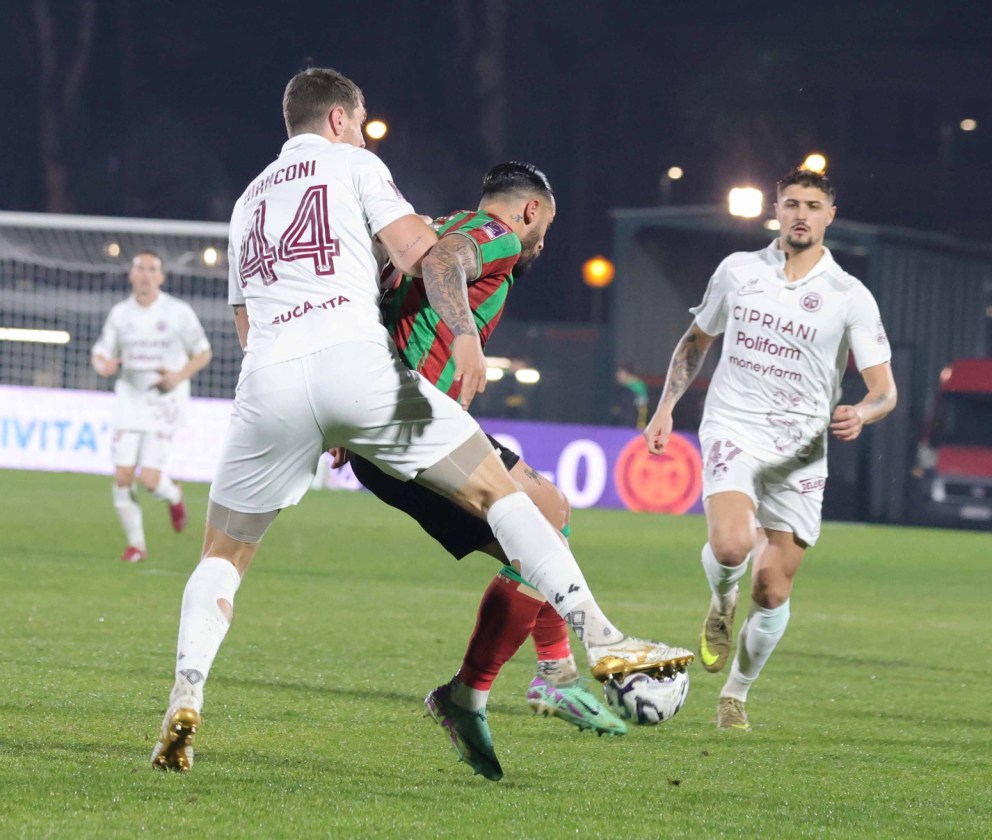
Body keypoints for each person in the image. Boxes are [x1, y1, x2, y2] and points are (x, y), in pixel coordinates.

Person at [150, 67, 692, 778]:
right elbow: (428, 256)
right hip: (362, 373)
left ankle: (185, 698)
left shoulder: (248, 201)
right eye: (363, 115)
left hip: (270, 382)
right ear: (342, 119)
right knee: (515, 500)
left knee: (221, 558)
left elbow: (248, 329)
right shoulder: (357, 165)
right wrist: (463, 335)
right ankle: (596, 642)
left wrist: (321, 417)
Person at [343, 162, 626, 776]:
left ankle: (552, 673)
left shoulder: (425, 229)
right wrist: (466, 337)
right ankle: (474, 692)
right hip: (414, 425)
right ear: (528, 212)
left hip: (390, 424)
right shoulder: (491, 234)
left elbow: (370, 296)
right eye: (544, 227)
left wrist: (344, 412)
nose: (543, 243)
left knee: (546, 517)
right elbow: (448, 263)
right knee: (545, 518)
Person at [644, 168, 897, 731]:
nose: (800, 213)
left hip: (802, 450)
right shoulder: (737, 271)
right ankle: (720, 598)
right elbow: (696, 341)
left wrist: (863, 410)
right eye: (790, 203)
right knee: (733, 545)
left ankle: (735, 693)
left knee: (773, 585)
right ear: (776, 212)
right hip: (734, 427)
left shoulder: (849, 295)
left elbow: (885, 390)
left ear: (830, 215)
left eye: (812, 204)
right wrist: (665, 408)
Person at [91, 251, 212, 563]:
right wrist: (103, 365)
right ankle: (137, 546)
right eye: (140, 269)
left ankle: (174, 495)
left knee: (149, 480)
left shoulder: (178, 312)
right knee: (122, 476)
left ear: (161, 277)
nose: (145, 275)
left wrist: (179, 375)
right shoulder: (120, 313)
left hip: (164, 401)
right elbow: (101, 352)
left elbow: (203, 353)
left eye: (152, 269)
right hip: (129, 399)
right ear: (131, 275)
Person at [612, 362, 649, 429]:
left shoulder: (637, 387)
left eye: (620, 373)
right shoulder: (622, 389)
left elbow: (642, 407)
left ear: (626, 373)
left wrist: (641, 424)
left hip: (632, 425)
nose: (617, 376)